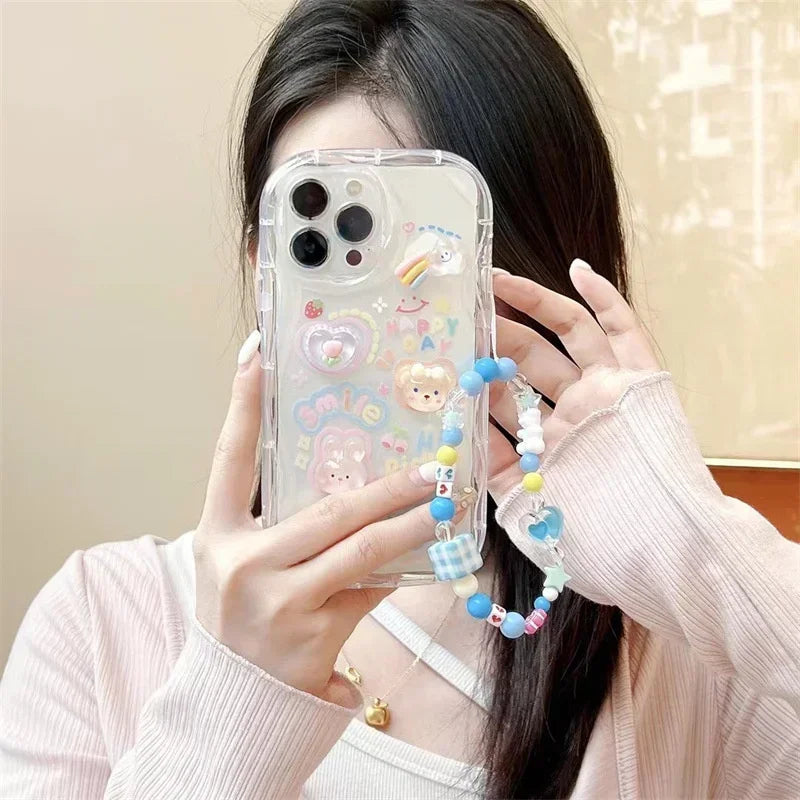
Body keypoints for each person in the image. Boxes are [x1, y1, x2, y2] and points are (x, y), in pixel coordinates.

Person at [1, 2, 798, 798]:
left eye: (438, 253)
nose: (393, 315)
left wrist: (697, 554)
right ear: (262, 268)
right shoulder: (100, 623)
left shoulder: (682, 643)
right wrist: (233, 699)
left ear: (534, 264)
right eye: (319, 247)